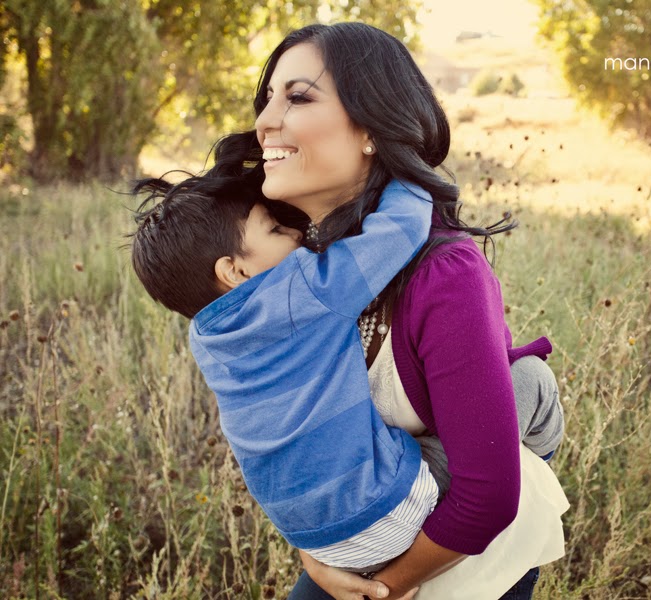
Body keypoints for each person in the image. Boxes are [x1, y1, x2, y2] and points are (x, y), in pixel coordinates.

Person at [209, 21, 568, 600]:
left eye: (298, 97)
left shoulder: (442, 273)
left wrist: (383, 587)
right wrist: (317, 553)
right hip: (363, 531)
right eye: (267, 98)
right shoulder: (288, 266)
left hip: (454, 548)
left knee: (531, 384)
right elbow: (289, 442)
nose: (265, 120)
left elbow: (486, 498)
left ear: (371, 128)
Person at [127, 173, 565, 580]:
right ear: (235, 271)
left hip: (316, 542)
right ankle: (534, 472)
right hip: (388, 512)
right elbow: (401, 229)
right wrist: (406, 170)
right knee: (532, 379)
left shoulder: (206, 339)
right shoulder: (301, 294)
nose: (296, 234)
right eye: (275, 231)